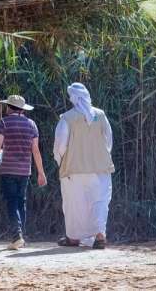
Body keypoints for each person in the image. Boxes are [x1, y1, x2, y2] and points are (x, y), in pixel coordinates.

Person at [53, 83, 114, 249]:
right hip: (101, 168)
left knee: (75, 203)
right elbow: (108, 140)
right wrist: (100, 156)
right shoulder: (100, 115)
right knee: (100, 202)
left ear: (73, 97)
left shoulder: (67, 118)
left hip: (74, 169)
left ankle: (73, 238)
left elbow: (61, 144)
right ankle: (100, 236)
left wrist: (61, 161)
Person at [0, 95, 47, 250]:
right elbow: (35, 151)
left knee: (12, 202)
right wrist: (41, 172)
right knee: (21, 202)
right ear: (22, 109)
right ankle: (21, 236)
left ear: (8, 107)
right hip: (25, 171)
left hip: (8, 169)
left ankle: (17, 236)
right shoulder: (32, 125)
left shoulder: (3, 122)